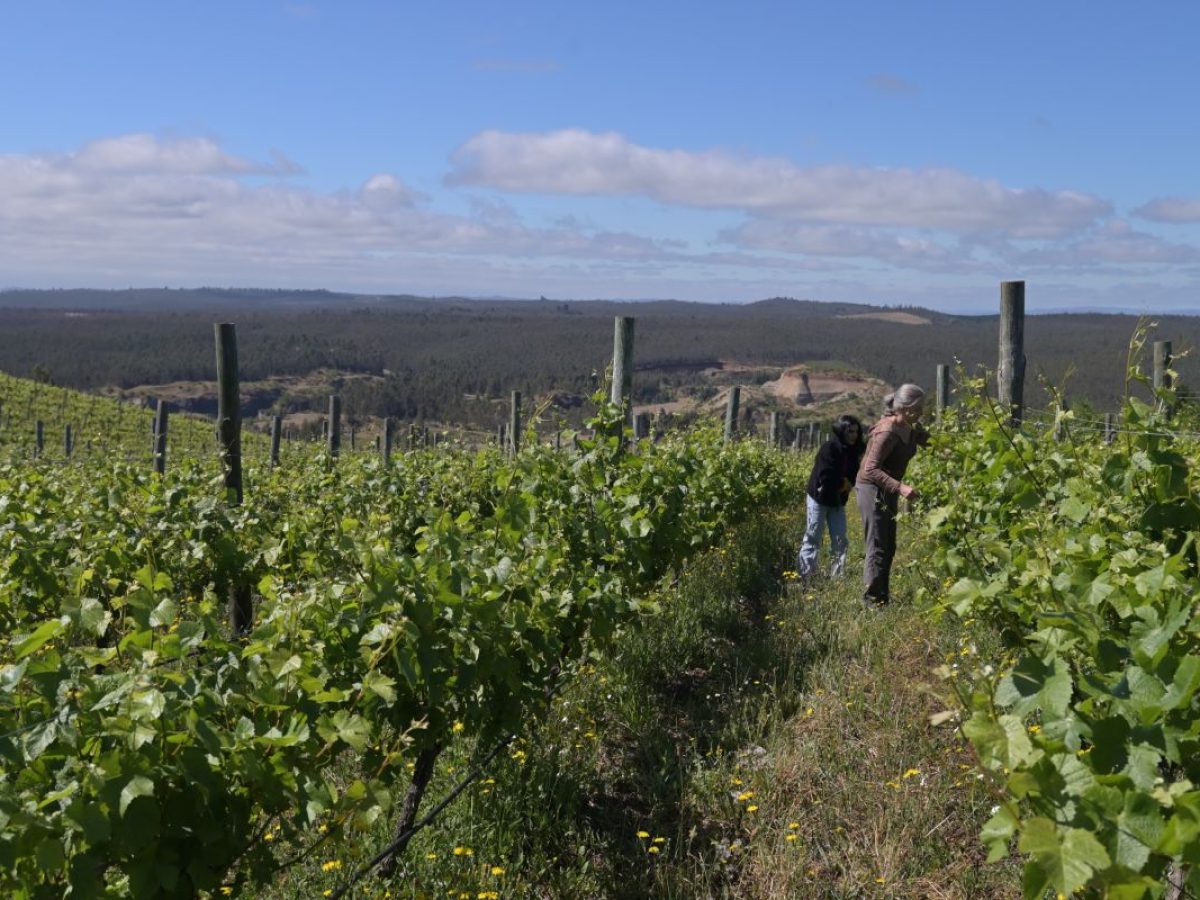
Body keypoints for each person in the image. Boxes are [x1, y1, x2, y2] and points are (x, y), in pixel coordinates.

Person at [855, 384, 929, 606]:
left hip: (888, 487)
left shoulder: (910, 426)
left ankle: (881, 598)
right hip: (871, 487)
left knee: (889, 544)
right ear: (905, 408)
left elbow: (932, 442)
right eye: (919, 407)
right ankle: (871, 602)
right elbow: (870, 468)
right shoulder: (887, 432)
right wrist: (901, 488)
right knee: (877, 544)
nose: (922, 412)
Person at [797, 415, 866, 579]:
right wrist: (845, 483)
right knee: (813, 537)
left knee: (840, 539)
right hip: (819, 499)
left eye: (856, 432)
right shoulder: (829, 448)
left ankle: (837, 577)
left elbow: (855, 474)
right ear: (841, 431)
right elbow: (825, 476)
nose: (854, 435)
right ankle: (805, 576)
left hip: (837, 501)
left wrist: (850, 482)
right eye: (850, 431)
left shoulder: (854, 451)